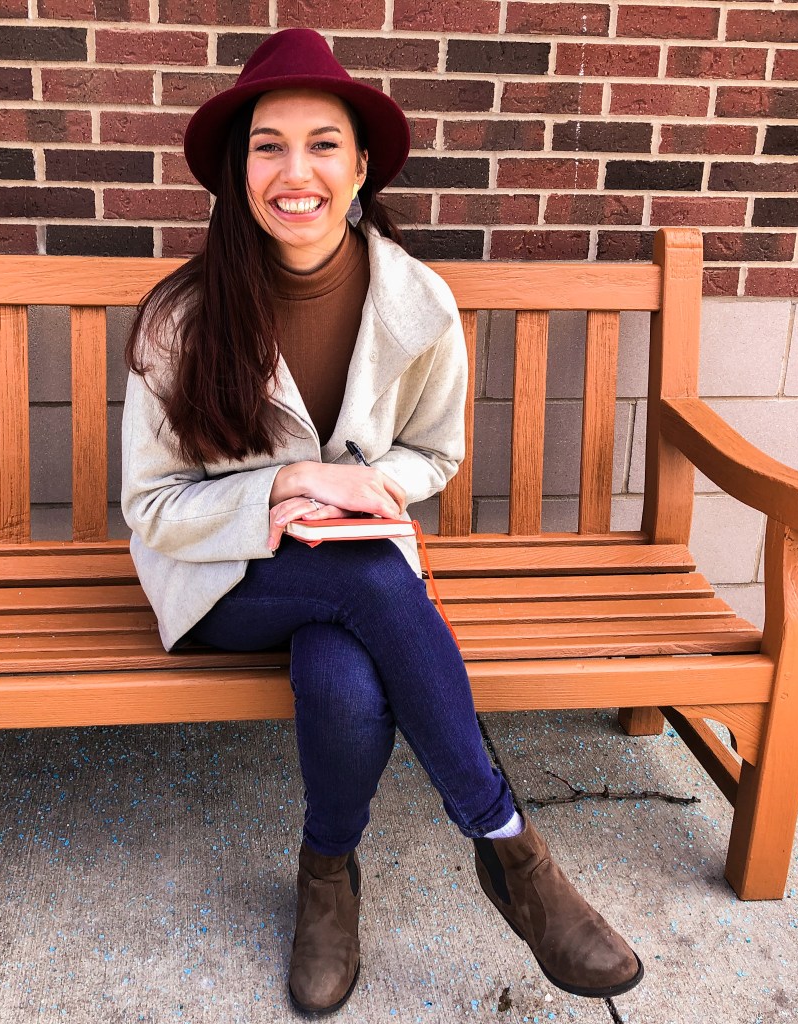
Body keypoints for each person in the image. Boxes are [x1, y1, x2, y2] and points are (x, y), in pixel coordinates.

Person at [121, 28, 643, 1016]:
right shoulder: (179, 320)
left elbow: (434, 454)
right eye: (268, 146)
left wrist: (361, 491)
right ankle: (511, 849)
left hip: (351, 570)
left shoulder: (418, 302)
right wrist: (288, 487)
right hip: (223, 581)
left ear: (360, 167)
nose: (296, 172)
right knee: (365, 585)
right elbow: (152, 507)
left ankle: (327, 876)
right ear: (237, 172)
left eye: (324, 144)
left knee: (343, 671)